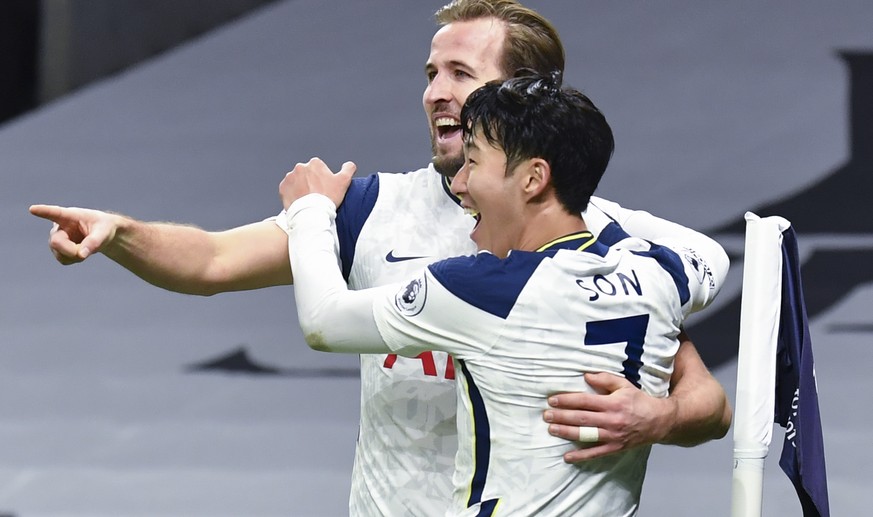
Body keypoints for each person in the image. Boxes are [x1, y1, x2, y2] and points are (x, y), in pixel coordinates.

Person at [29, 0, 731, 514]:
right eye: (430, 72)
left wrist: (659, 418)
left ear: (522, 97)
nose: (434, 92)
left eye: (460, 71)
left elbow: (702, 395)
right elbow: (211, 261)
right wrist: (120, 232)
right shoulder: (371, 209)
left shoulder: (596, 240)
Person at [278, 73, 724, 516]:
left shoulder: (485, 289)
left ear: (533, 179)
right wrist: (661, 417)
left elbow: (324, 320)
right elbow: (711, 265)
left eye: (473, 162)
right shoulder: (656, 275)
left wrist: (310, 208)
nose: (459, 183)